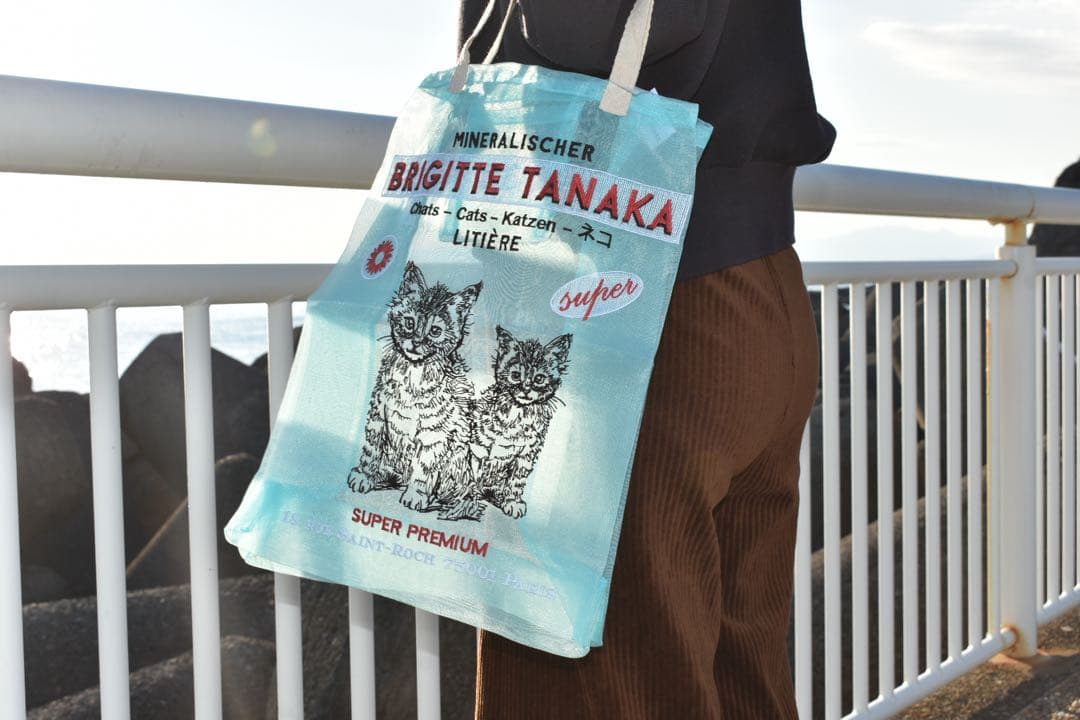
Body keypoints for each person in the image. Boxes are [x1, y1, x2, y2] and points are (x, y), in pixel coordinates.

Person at [459, 1, 836, 717]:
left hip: (628, 290)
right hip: (752, 280)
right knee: (739, 666)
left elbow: (575, 29)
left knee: (598, 668)